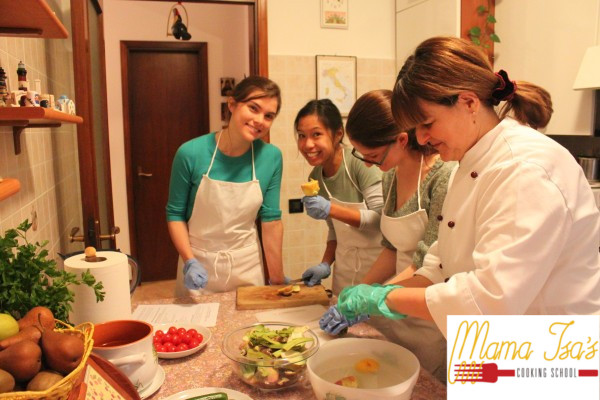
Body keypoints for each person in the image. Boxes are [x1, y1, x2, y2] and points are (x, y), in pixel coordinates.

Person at [322, 36, 600, 357]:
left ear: (468, 103)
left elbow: (492, 299)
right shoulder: (465, 163)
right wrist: (377, 293)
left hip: (549, 352)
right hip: (492, 346)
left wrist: (381, 299)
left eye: (426, 124)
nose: (422, 138)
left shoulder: (525, 168)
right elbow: (439, 267)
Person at [335, 89, 455, 382]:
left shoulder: (442, 177)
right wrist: (355, 294)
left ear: (402, 139)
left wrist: (375, 297)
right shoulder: (390, 177)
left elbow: (427, 263)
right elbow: (390, 250)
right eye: (361, 155)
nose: (366, 164)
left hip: (427, 318)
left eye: (373, 156)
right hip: (392, 312)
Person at [166, 76, 286, 296]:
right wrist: (189, 261)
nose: (259, 120)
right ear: (232, 104)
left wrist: (277, 279)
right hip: (198, 264)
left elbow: (271, 221)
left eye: (268, 116)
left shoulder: (271, 157)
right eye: (253, 108)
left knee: (252, 328)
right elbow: (175, 215)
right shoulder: (190, 153)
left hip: (247, 265)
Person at [295, 99, 384, 295]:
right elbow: (336, 231)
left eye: (316, 134)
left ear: (337, 134)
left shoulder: (359, 162)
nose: (307, 144)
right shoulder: (315, 177)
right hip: (344, 273)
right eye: (302, 136)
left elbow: (380, 219)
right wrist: (325, 264)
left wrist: (330, 209)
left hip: (377, 272)